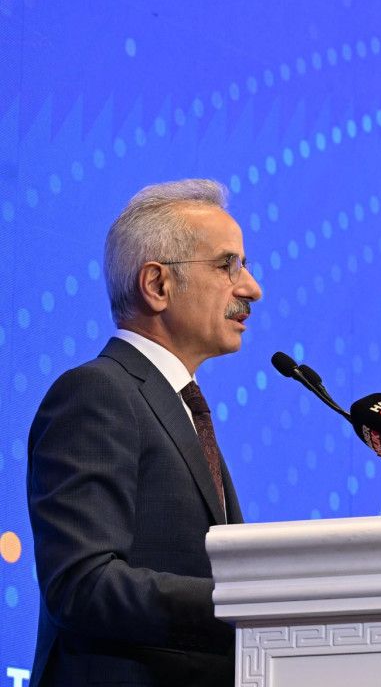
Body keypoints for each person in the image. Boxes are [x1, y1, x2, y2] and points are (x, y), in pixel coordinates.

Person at [26, 179, 263, 686]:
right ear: (157, 285)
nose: (251, 288)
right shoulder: (97, 393)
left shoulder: (180, 404)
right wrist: (245, 601)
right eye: (228, 265)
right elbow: (81, 583)